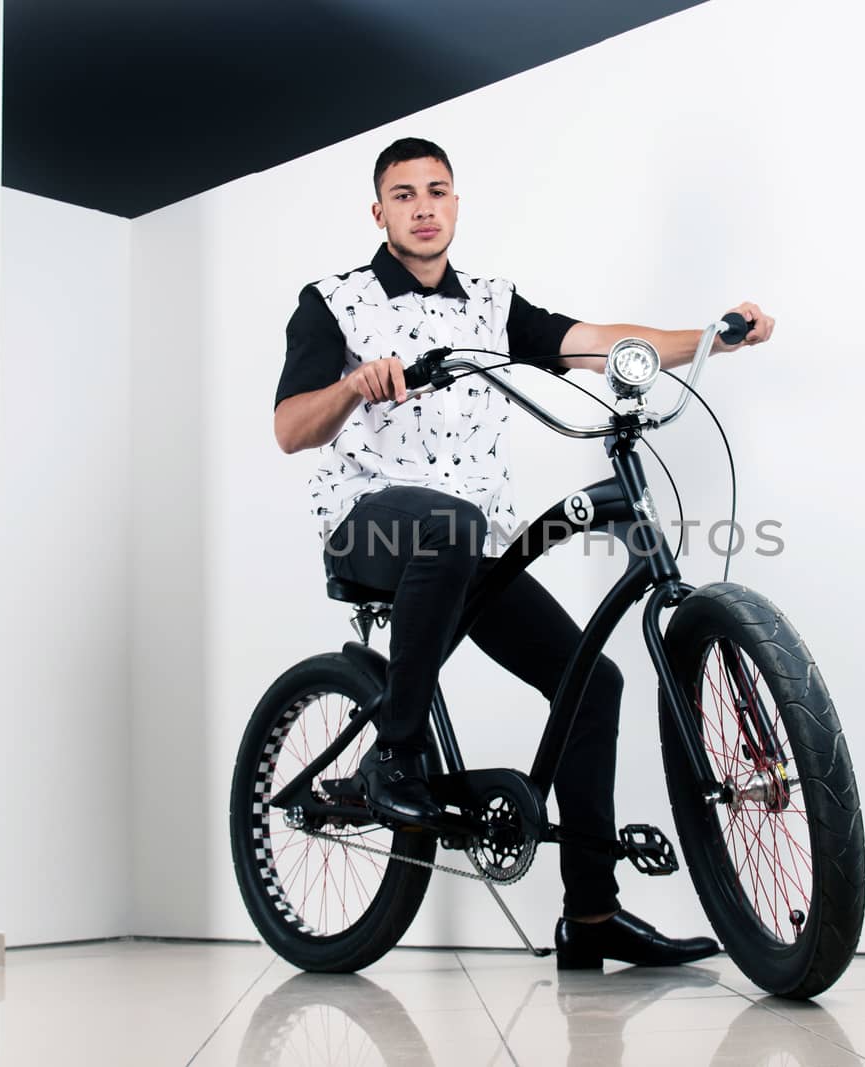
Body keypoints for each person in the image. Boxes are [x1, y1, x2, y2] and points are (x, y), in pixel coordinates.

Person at [272, 137, 775, 969]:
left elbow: (596, 339)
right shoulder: (335, 302)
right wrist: (354, 385)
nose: (424, 206)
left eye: (437, 191)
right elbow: (292, 427)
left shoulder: (491, 306)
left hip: (470, 544)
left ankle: (592, 915)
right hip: (371, 525)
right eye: (404, 195)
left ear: (457, 205)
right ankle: (393, 751)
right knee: (449, 522)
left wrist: (714, 337)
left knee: (593, 682)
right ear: (379, 212)